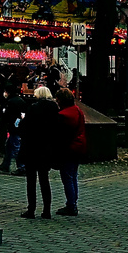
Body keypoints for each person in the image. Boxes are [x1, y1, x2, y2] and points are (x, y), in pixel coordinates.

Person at [19, 85, 60, 219]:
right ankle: (47, 210)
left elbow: (24, 127)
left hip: (32, 147)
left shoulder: (33, 108)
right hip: (47, 148)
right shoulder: (55, 109)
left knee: (31, 181)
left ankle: (31, 209)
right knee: (44, 180)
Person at [55, 87, 86, 215]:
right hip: (79, 146)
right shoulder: (77, 111)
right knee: (73, 176)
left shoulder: (64, 115)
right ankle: (73, 202)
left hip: (69, 149)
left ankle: (71, 205)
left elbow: (62, 136)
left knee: (67, 177)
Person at [0, 85, 28, 175]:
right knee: (9, 146)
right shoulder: (20, 101)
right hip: (18, 126)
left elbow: (6, 116)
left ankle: (21, 167)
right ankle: (5, 164)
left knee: (15, 147)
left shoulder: (10, 102)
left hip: (13, 128)